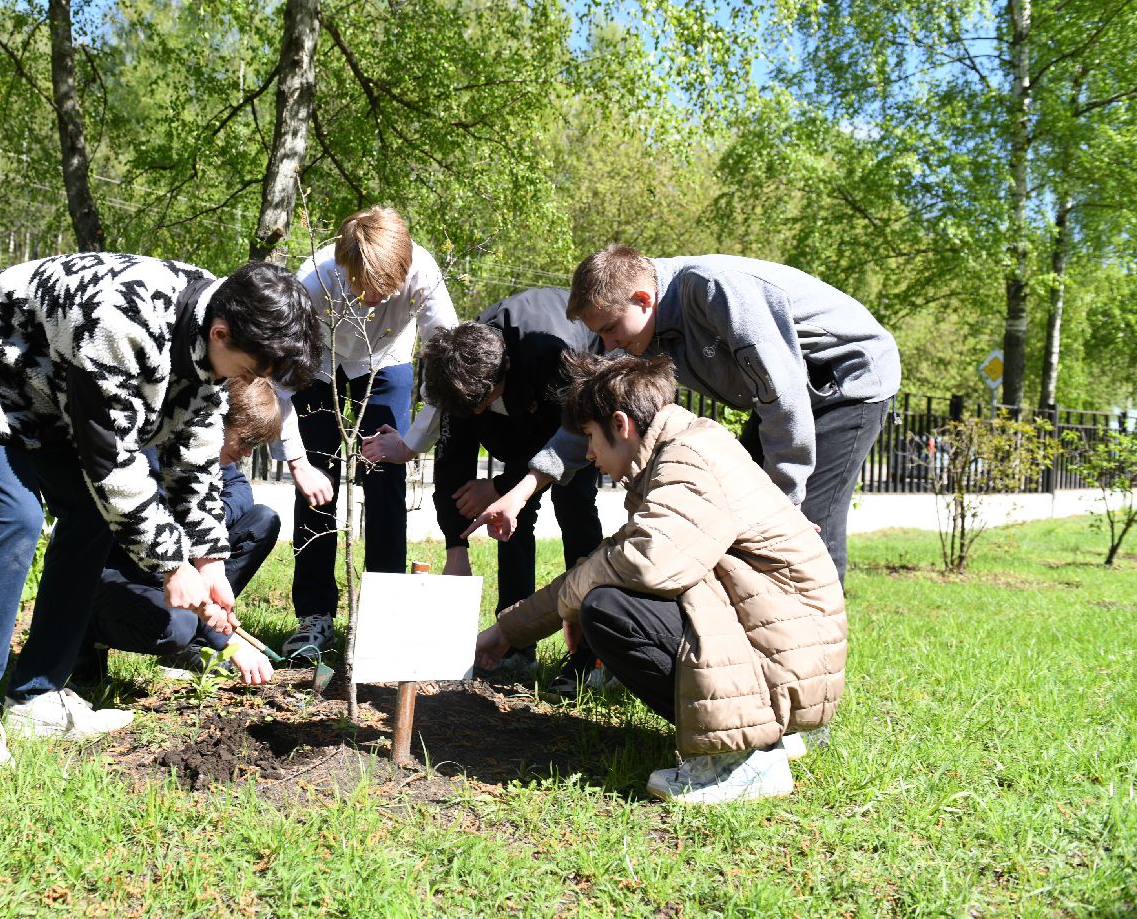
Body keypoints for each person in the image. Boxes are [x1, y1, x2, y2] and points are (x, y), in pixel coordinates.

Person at [0, 255, 319, 769]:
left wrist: (211, 562)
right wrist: (172, 566)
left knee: (89, 518)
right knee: (16, 518)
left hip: (49, 388)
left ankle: (35, 697)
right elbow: (113, 465)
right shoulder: (121, 323)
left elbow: (194, 459)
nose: (247, 380)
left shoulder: (213, 329)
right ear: (220, 333)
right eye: (252, 369)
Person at [475, 354, 846, 804]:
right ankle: (767, 733)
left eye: (590, 437)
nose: (588, 454)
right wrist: (509, 631)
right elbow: (617, 554)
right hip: (790, 652)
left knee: (609, 610)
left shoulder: (686, 458)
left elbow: (649, 561)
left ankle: (745, 759)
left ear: (621, 425)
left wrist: (574, 602)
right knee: (603, 589)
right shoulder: (684, 447)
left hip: (787, 657)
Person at [470, 246, 901, 589]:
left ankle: (816, 648)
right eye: (600, 333)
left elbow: (783, 395)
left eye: (610, 329)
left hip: (844, 377)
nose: (608, 344)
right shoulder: (638, 331)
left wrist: (786, 505)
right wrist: (522, 491)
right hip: (785, 392)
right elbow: (589, 418)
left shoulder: (714, 292)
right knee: (733, 505)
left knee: (805, 523)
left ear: (643, 299)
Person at [366, 287, 602, 678]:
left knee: (572, 502)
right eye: (470, 409)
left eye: (481, 404)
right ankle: (514, 644)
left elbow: (565, 442)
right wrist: (455, 548)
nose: (476, 413)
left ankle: (592, 649)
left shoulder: (552, 356)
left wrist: (501, 486)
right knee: (508, 521)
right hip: (521, 409)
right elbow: (451, 462)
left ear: (504, 369)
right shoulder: (458, 372)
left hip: (571, 413)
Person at [272, 207, 458, 659]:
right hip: (318, 359)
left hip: (387, 357)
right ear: (344, 268)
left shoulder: (424, 274)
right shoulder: (314, 280)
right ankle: (314, 615)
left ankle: (383, 616)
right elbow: (276, 381)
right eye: (363, 286)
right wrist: (295, 459)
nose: (372, 299)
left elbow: (447, 368)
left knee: (385, 479)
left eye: (384, 288)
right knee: (317, 482)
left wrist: (411, 444)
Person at [72, 378, 283, 688]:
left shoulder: (203, 450)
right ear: (217, 418)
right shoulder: (150, 451)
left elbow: (239, 488)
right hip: (117, 571)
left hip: (165, 568)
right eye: (245, 441)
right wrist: (226, 638)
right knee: (176, 626)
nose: (248, 453)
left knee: (262, 519)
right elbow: (154, 546)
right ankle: (82, 635)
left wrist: (206, 526)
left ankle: (194, 639)